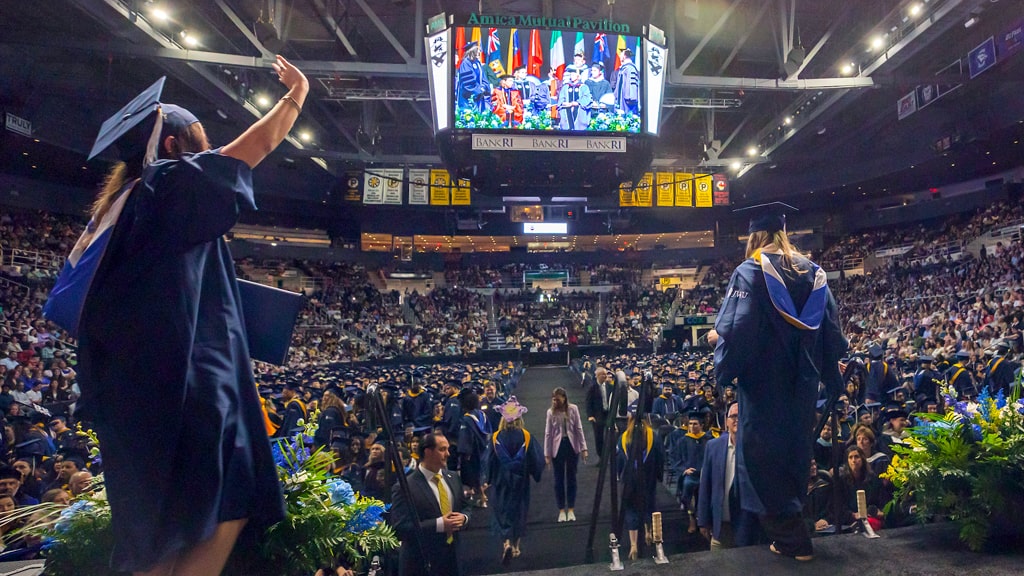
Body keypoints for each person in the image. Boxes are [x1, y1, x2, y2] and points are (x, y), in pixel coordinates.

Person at [65, 55, 308, 574]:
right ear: (172, 145)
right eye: (199, 134)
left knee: (166, 528)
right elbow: (256, 147)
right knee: (227, 497)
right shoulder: (168, 183)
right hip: (185, 391)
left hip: (139, 395)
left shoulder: (123, 210)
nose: (209, 142)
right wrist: (297, 95)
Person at [713, 202, 848, 561]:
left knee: (759, 460)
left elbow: (738, 331)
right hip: (803, 386)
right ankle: (792, 534)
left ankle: (793, 540)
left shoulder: (750, 271)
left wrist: (720, 352)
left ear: (756, 236)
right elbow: (831, 334)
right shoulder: (815, 273)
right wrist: (831, 379)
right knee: (794, 455)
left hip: (763, 387)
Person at [389, 431, 471, 576]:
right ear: (427, 452)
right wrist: (440, 525)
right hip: (421, 564)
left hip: (453, 561)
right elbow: (400, 528)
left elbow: (465, 507)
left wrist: (464, 518)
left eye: (448, 449)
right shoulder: (405, 486)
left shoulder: (453, 478)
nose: (448, 454)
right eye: (442, 449)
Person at [486, 397, 543, 564]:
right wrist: (536, 473)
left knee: (502, 511)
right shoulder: (526, 436)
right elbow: (535, 460)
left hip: (501, 481)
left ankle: (506, 543)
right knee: (519, 511)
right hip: (520, 481)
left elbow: (489, 461)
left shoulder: (495, 437)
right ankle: (516, 547)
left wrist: (488, 479)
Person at [697, 401, 758, 550]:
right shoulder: (713, 447)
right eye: (733, 416)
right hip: (720, 528)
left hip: (750, 527)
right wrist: (703, 520)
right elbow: (706, 485)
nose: (737, 419)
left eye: (741, 415)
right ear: (726, 421)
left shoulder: (757, 448)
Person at [616, 405, 663, 560]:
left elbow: (619, 460)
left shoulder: (624, 437)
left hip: (630, 480)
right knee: (649, 504)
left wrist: (619, 475)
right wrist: (659, 475)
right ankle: (649, 532)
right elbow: (660, 458)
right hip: (648, 478)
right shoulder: (653, 436)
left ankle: (634, 544)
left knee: (631, 509)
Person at [543, 387, 588, 522]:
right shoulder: (550, 412)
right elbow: (548, 433)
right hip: (558, 447)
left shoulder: (573, 409)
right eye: (553, 399)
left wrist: (584, 448)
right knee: (559, 479)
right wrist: (547, 453)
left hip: (571, 446)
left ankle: (571, 509)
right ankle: (561, 509)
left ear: (564, 398)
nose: (555, 402)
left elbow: (579, 428)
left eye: (557, 399)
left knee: (571, 477)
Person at [556, 65, 593, 130]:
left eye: (573, 75)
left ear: (578, 76)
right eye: (571, 75)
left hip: (580, 117)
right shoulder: (565, 87)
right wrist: (563, 103)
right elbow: (561, 99)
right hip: (566, 116)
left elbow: (587, 99)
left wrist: (575, 103)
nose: (571, 76)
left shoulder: (584, 87)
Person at [457, 41, 490, 113]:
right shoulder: (466, 63)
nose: (479, 53)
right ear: (472, 52)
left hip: (479, 95)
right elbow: (468, 81)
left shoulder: (477, 62)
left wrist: (484, 87)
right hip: (468, 97)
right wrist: (479, 89)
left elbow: (483, 78)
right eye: (477, 51)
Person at [613, 48, 640, 115]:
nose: (619, 56)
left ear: (624, 56)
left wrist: (631, 97)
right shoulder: (624, 68)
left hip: (627, 102)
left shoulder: (631, 69)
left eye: (621, 54)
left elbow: (632, 84)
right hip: (621, 100)